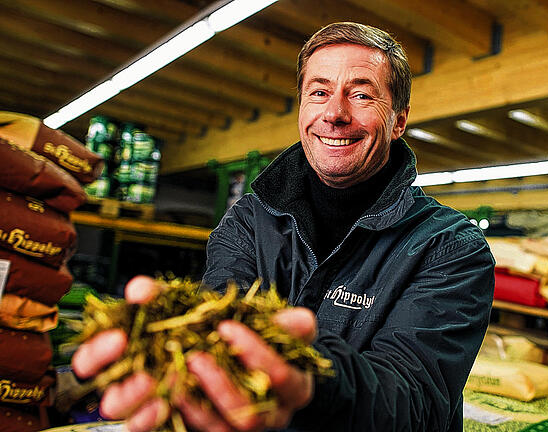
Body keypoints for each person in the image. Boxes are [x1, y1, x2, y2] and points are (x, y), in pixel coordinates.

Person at [73, 22, 495, 432]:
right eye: (319, 92)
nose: (335, 113)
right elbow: (219, 331)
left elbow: (414, 404)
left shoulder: (451, 247)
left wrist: (311, 379)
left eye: (361, 94)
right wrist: (172, 342)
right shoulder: (248, 221)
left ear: (398, 121)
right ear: (302, 109)